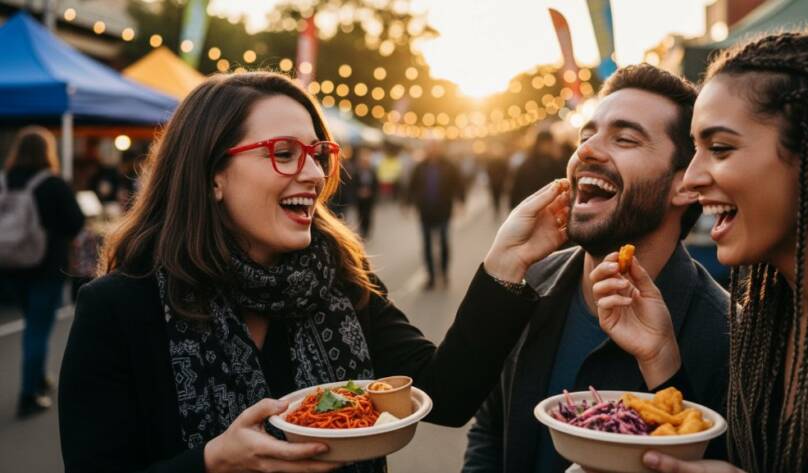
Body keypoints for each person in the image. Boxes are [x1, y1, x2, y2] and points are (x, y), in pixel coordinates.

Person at [58, 72, 572, 473]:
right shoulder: (119, 308)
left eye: (318, 153)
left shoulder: (338, 283)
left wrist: (507, 259)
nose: (314, 173)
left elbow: (448, 393)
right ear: (212, 174)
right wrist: (212, 464)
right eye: (284, 153)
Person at [463, 64, 730, 473]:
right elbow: (490, 432)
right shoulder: (530, 282)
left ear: (684, 183)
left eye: (624, 139)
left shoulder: (728, 336)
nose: (586, 151)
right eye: (586, 136)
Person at [593, 32, 808, 473]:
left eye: (720, 149)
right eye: (695, 150)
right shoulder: (767, 322)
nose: (689, 180)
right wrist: (661, 357)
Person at [0, 126, 84, 417]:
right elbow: (75, 222)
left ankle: (40, 375)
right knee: (38, 327)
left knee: (33, 323)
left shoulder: (5, 181)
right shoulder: (52, 184)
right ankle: (28, 393)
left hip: (11, 266)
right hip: (46, 267)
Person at [406, 140, 465, 290]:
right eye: (430, 147)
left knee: (444, 242)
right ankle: (431, 277)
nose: (432, 150)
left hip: (444, 210)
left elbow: (459, 183)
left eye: (435, 147)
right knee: (427, 244)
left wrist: (461, 201)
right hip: (425, 211)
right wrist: (407, 203)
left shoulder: (448, 166)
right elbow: (411, 186)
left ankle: (444, 274)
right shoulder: (420, 167)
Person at [509, 130, 567, 209]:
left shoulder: (556, 162)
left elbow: (563, 179)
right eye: (544, 143)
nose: (546, 146)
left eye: (549, 143)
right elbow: (517, 188)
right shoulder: (527, 164)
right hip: (530, 205)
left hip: (553, 207)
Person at [350, 146, 379, 239]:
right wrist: (358, 192)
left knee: (368, 215)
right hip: (360, 198)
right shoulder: (357, 171)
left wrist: (371, 192)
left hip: (369, 198)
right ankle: (362, 230)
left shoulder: (373, 171)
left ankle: (366, 231)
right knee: (360, 214)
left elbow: (376, 184)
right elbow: (353, 184)